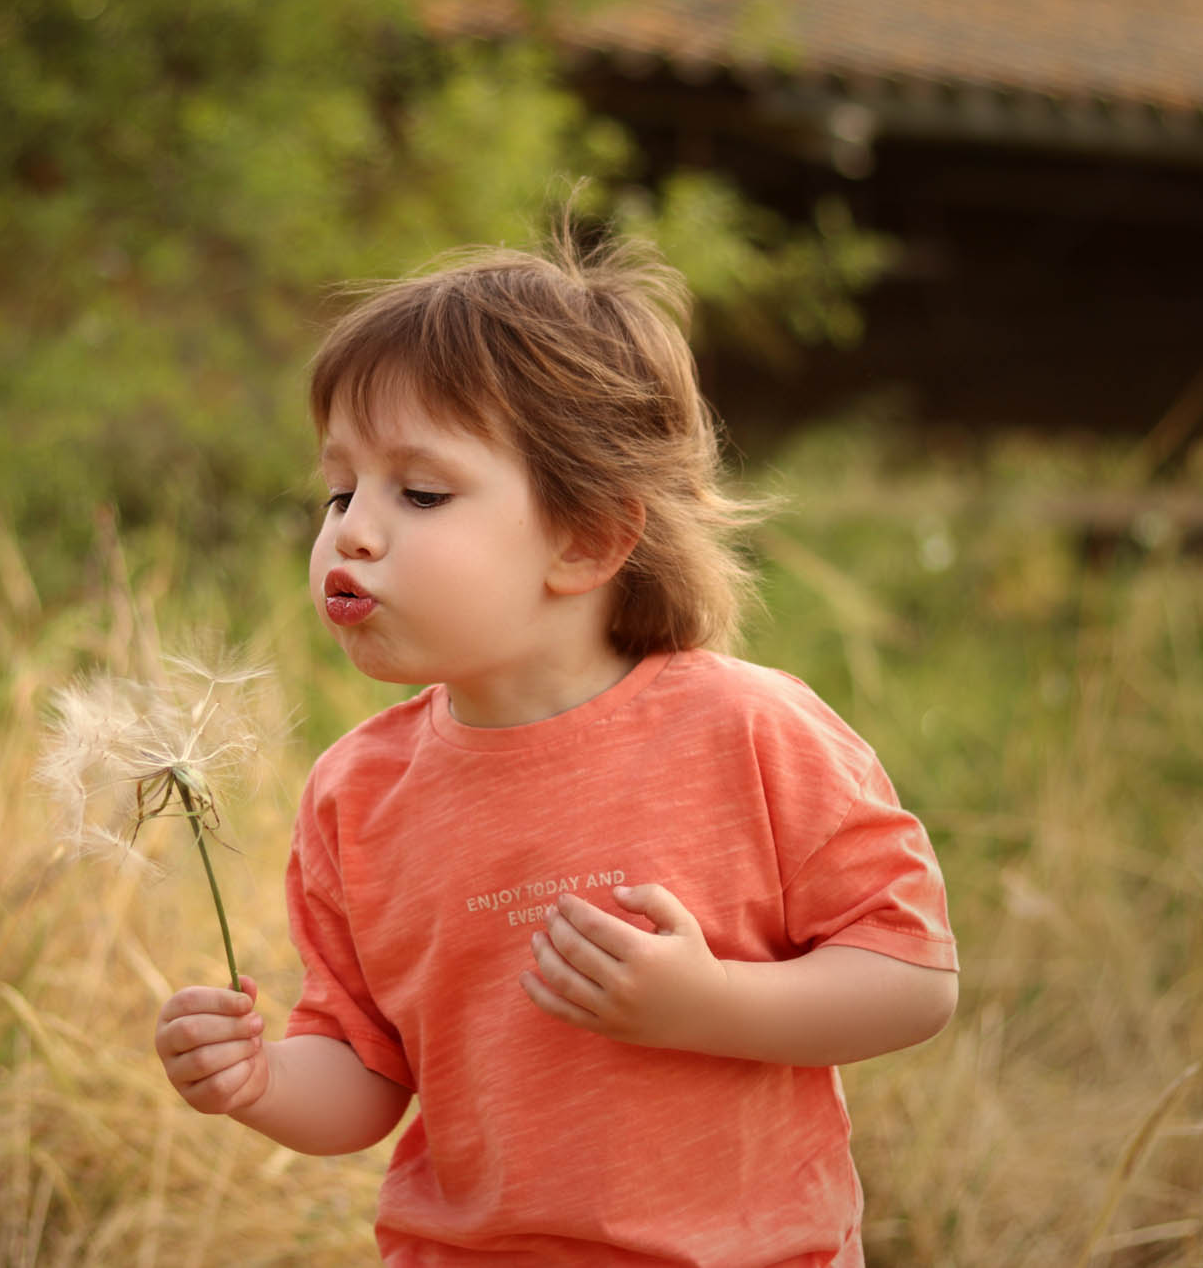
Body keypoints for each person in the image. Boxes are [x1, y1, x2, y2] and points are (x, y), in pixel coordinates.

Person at [153, 228, 959, 1266]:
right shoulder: (356, 793)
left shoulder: (750, 731)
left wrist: (708, 1002)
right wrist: (259, 1083)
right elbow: (361, 1079)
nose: (349, 531)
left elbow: (910, 982)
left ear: (584, 539)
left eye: (421, 492)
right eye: (338, 490)